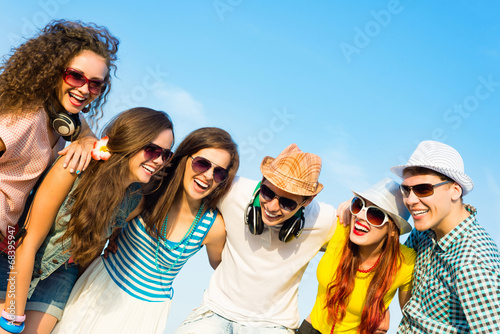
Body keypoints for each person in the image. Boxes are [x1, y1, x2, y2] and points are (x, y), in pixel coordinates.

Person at [0, 107, 174, 334]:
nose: (159, 160)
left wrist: (114, 237)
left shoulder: (134, 201)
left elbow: (89, 253)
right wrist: (12, 319)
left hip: (60, 276)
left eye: (166, 154)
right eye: (152, 150)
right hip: (15, 261)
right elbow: (28, 241)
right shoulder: (75, 167)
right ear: (130, 140)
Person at [52, 127, 239, 334]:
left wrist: (211, 310)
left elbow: (228, 272)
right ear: (184, 158)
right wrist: (85, 141)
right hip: (99, 286)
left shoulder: (212, 227)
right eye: (202, 163)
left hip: (144, 314)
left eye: (219, 172)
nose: (208, 175)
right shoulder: (147, 191)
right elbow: (98, 225)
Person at [175, 143, 336, 333]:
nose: (272, 207)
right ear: (262, 179)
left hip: (273, 324)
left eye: (287, 203)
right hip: (215, 312)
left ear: (308, 200)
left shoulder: (324, 220)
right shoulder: (232, 190)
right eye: (267, 193)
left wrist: (349, 211)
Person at [0, 19, 119, 242]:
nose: (84, 89)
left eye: (95, 84)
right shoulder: (26, 118)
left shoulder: (61, 118)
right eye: (75, 76)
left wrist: (85, 139)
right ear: (54, 72)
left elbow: (85, 130)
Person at [391, 140, 500, 333]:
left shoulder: (472, 263)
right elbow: (397, 261)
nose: (410, 200)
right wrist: (358, 206)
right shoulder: (424, 231)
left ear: (455, 191)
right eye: (406, 190)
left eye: (424, 189)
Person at [298, 178, 416, 334]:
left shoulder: (405, 263)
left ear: (393, 229)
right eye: (358, 205)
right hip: (309, 330)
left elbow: (411, 317)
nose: (360, 216)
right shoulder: (341, 228)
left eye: (375, 214)